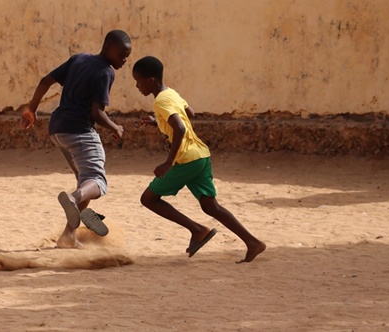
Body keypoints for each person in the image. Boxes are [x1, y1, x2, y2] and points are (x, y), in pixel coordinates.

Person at [132, 56, 266, 263]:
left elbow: (180, 127)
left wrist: (168, 163)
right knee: (211, 206)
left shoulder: (160, 100)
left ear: (150, 81)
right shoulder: (171, 93)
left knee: (148, 199)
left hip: (186, 159)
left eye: (138, 81)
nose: (137, 85)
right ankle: (253, 242)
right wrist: (158, 121)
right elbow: (189, 113)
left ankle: (198, 230)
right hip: (201, 155)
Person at [18, 30, 132, 248]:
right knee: (98, 182)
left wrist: (31, 108)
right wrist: (115, 127)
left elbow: (45, 80)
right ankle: (75, 200)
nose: (124, 60)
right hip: (79, 131)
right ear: (108, 49)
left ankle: (68, 236)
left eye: (127, 56)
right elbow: (96, 113)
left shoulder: (79, 58)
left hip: (58, 129)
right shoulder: (105, 72)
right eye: (121, 55)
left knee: (85, 180)